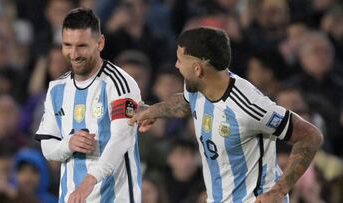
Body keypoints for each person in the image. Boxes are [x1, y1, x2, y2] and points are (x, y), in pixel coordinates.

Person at [129, 27, 323, 203]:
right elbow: (185, 102)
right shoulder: (197, 86)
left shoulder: (249, 106)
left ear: (198, 68)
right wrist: (151, 111)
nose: (176, 65)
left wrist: (279, 191)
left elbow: (310, 136)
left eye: (180, 60)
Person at [34, 8, 142, 203]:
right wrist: (68, 144)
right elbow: (47, 147)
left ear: (100, 42)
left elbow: (121, 139)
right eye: (67, 45)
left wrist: (89, 181)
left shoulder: (119, 83)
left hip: (115, 197)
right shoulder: (56, 89)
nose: (74, 54)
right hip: (72, 197)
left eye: (82, 46)